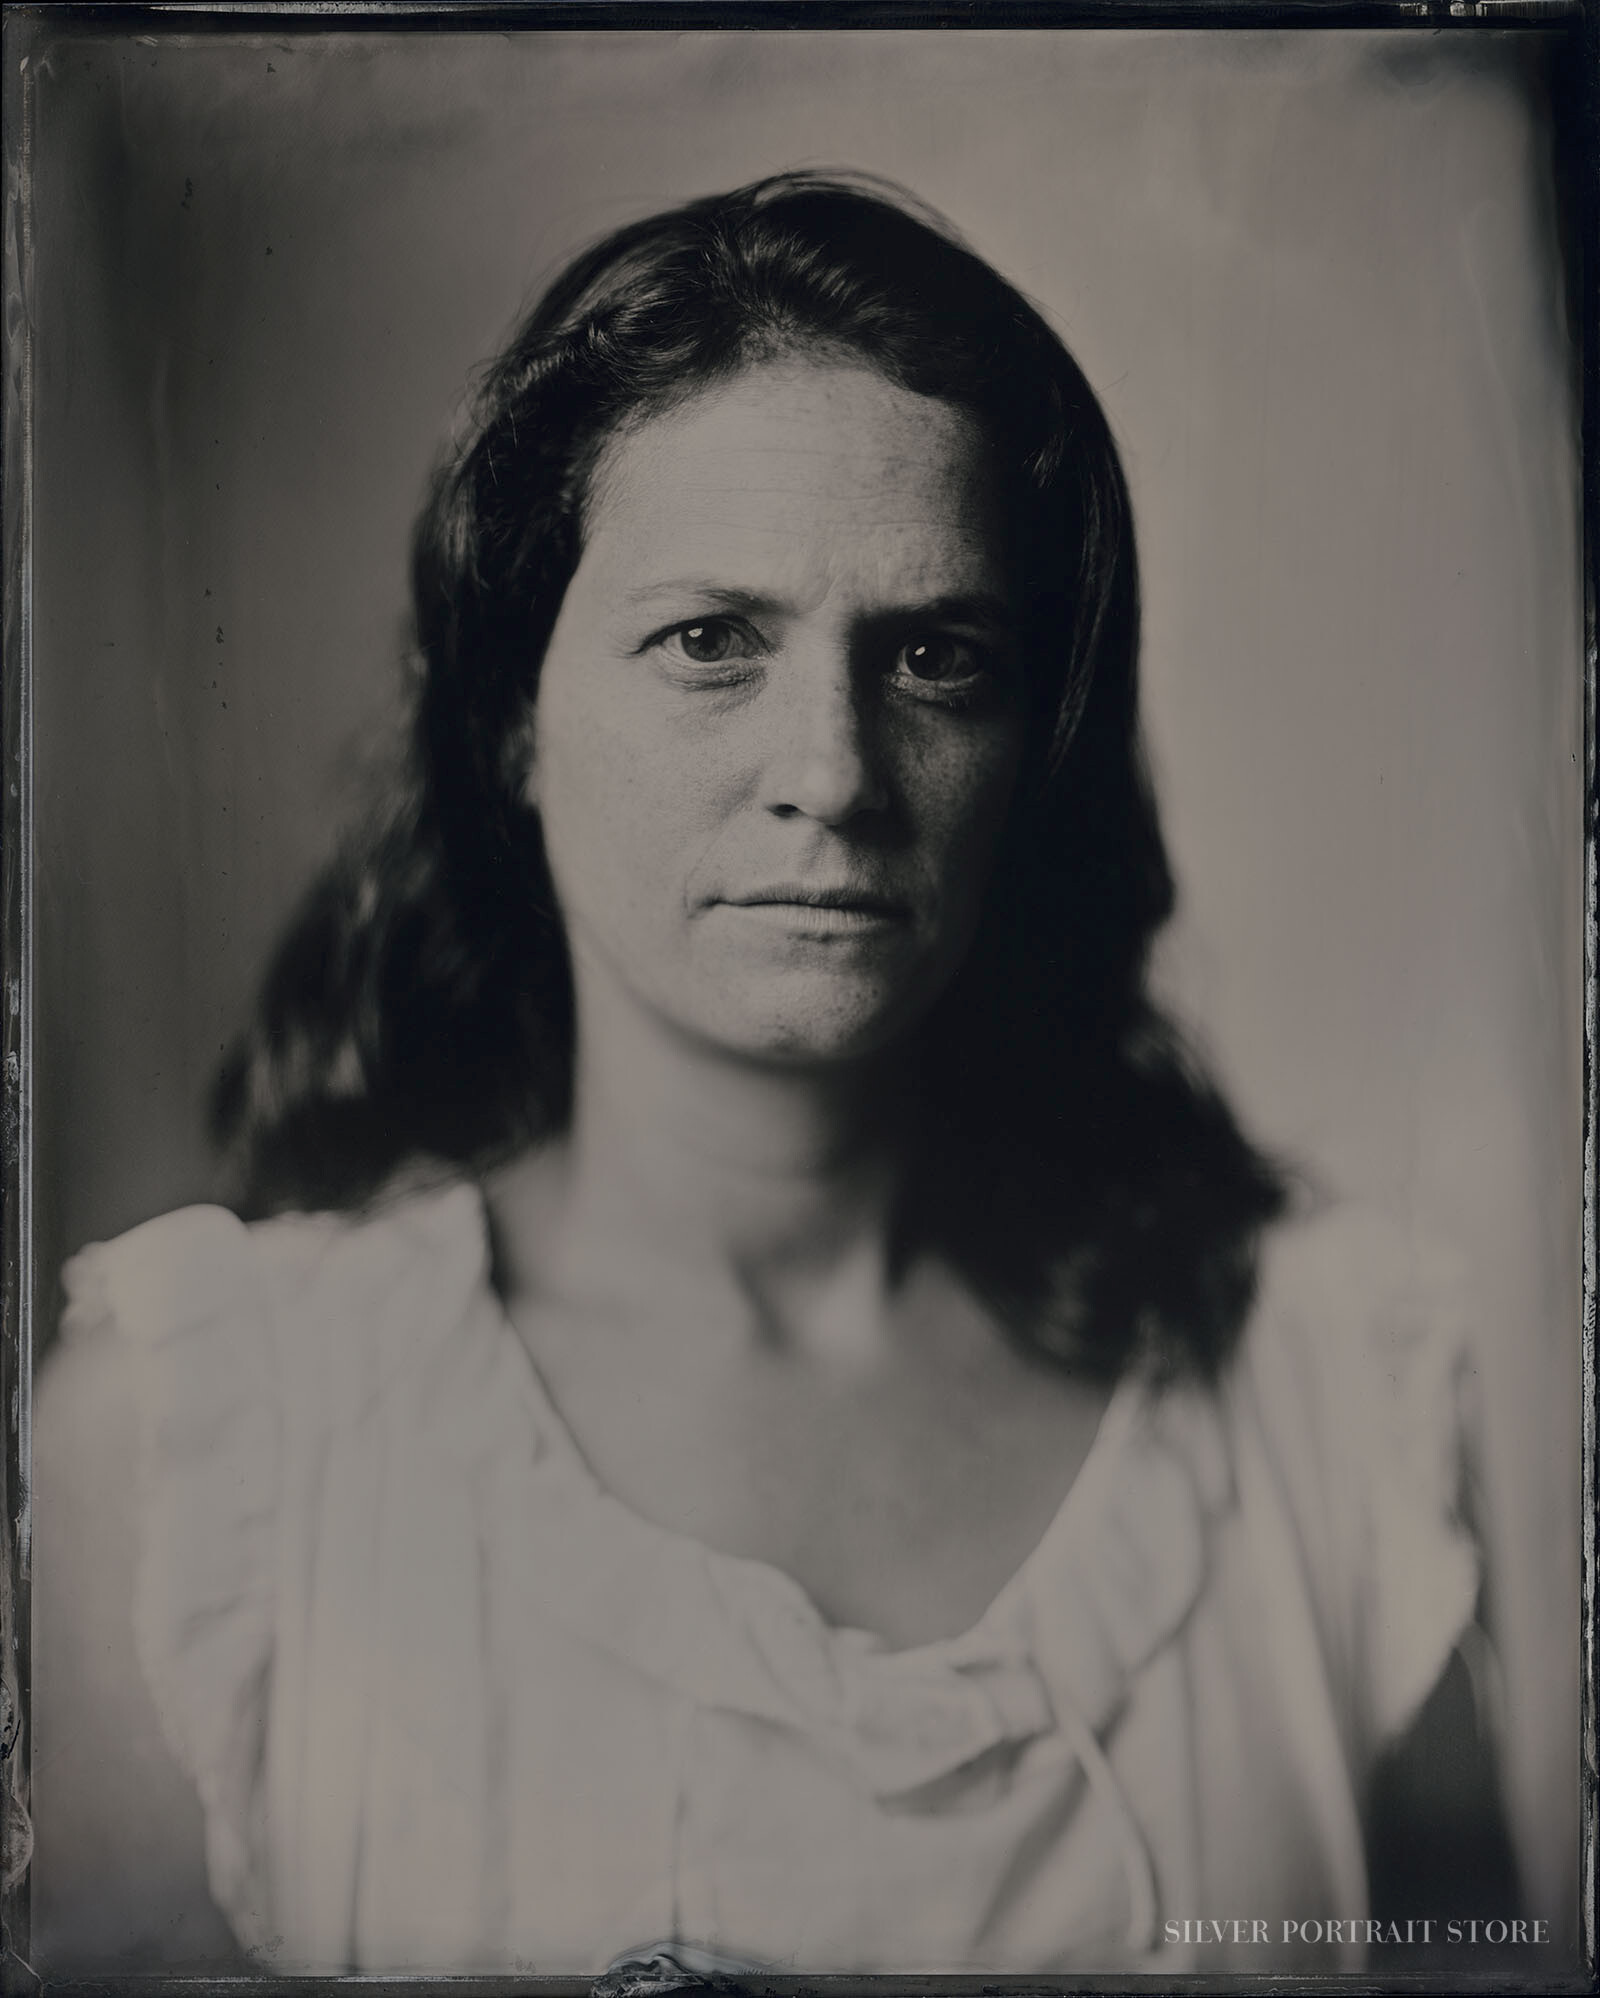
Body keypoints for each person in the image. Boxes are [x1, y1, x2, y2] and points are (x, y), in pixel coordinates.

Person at [34, 172, 1510, 1978]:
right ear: (512, 711)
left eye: (936, 657)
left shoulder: (1316, 1405)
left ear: (1034, 745)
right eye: (710, 641)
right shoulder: (207, 1447)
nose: (834, 770)